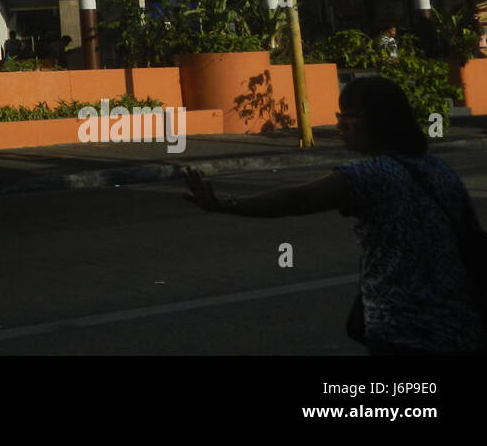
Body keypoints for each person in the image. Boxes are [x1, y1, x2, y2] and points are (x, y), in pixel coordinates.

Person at [184, 75, 484, 355]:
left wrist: (227, 204)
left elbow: (297, 199)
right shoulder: (439, 170)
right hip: (461, 325)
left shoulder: (373, 175)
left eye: (351, 115)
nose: (341, 124)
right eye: (341, 114)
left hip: (406, 331)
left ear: (381, 121)